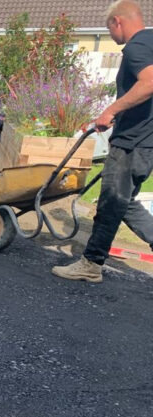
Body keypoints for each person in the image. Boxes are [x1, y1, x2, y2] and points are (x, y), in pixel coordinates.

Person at [52, 0, 153, 283]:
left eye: (109, 29)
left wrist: (111, 110)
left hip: (132, 142)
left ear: (117, 22)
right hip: (146, 143)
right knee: (126, 202)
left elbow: (149, 82)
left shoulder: (135, 48)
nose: (111, 36)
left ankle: (91, 263)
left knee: (110, 203)